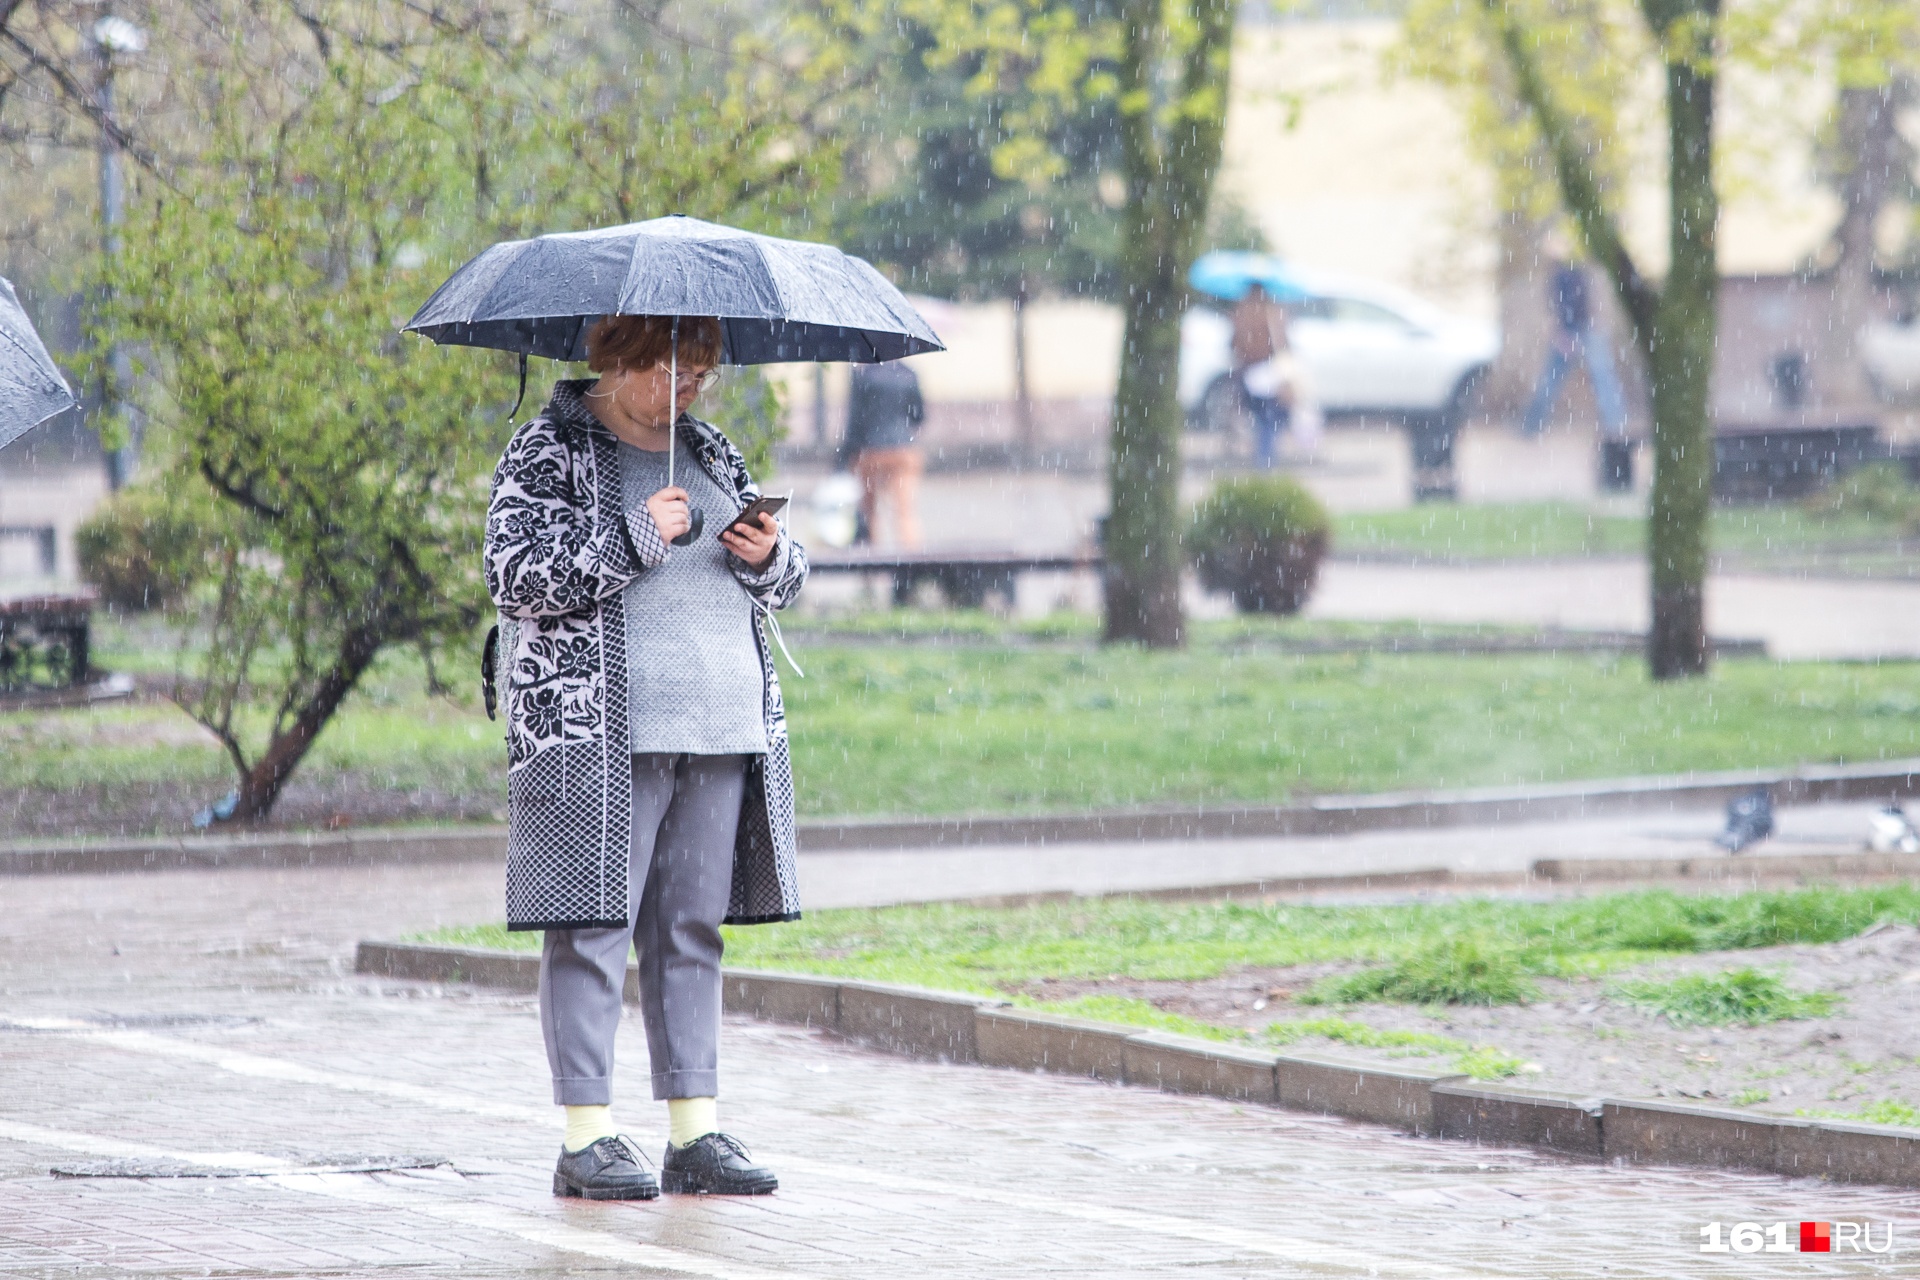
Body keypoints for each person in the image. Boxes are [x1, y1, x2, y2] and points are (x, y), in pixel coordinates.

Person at [483, 313, 809, 1201]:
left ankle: (693, 1130)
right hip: (600, 733)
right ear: (621, 360)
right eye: (678, 368)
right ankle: (587, 1136)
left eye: (704, 370)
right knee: (592, 928)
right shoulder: (548, 449)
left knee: (690, 929)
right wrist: (631, 534)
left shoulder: (709, 448)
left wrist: (771, 555)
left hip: (722, 727)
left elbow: (788, 579)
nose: (694, 386)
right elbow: (512, 572)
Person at [1522, 242, 1633, 489]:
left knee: (1596, 380)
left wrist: (1568, 332)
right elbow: (1566, 306)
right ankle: (1532, 425)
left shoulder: (1569, 274)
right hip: (1577, 331)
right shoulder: (1567, 275)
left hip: (1580, 331)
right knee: (1576, 381)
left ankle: (1616, 429)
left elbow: (1574, 305)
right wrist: (1564, 333)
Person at [839, 358, 925, 547]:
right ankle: (911, 566)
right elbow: (919, 415)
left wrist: (846, 455)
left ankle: (872, 565)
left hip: (871, 451)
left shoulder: (864, 375)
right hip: (904, 450)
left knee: (870, 512)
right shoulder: (908, 374)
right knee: (905, 512)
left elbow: (855, 420)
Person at [1231, 286, 1316, 467]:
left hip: (1249, 376)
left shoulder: (1241, 314)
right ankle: (1266, 460)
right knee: (1271, 420)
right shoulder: (1273, 314)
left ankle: (1263, 458)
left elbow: (1234, 346)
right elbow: (1283, 345)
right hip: (1268, 377)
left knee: (1262, 420)